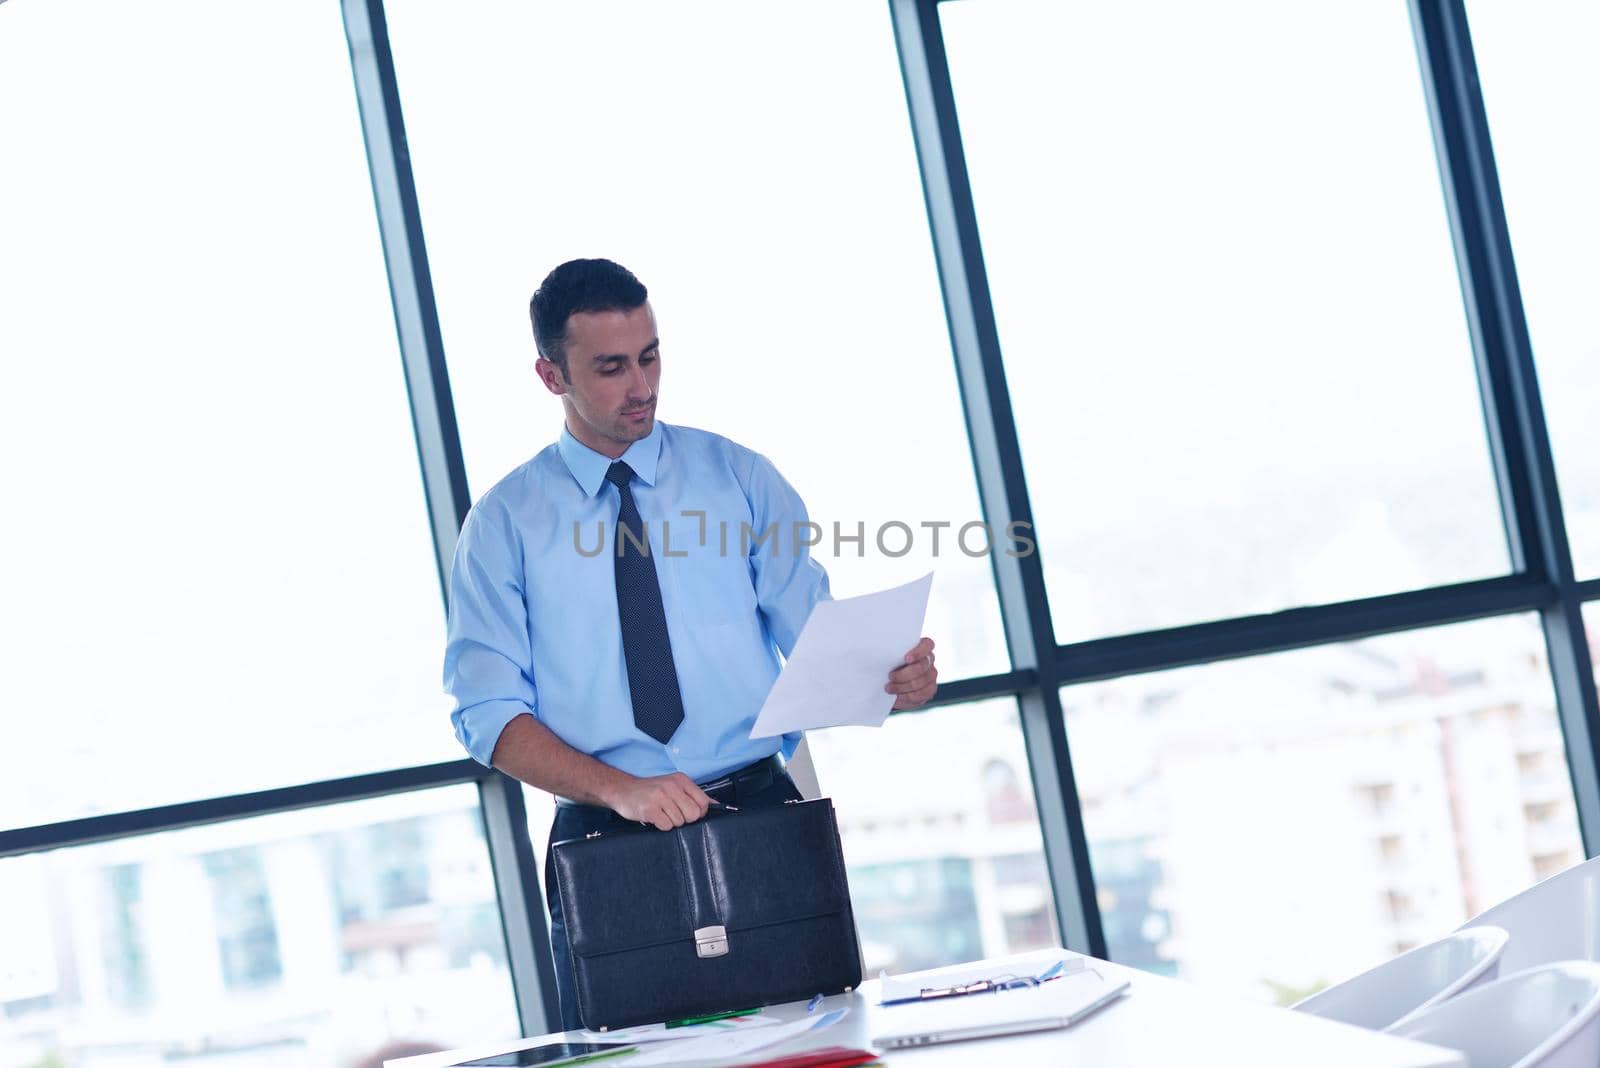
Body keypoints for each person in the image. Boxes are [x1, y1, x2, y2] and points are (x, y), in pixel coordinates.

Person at [442, 257, 938, 1031]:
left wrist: (894, 677)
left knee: (814, 1044)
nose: (640, 386)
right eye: (610, 367)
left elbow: (816, 644)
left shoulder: (737, 477)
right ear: (550, 374)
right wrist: (621, 787)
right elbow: (486, 714)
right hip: (608, 841)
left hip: (763, 816)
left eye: (650, 356)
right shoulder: (504, 524)